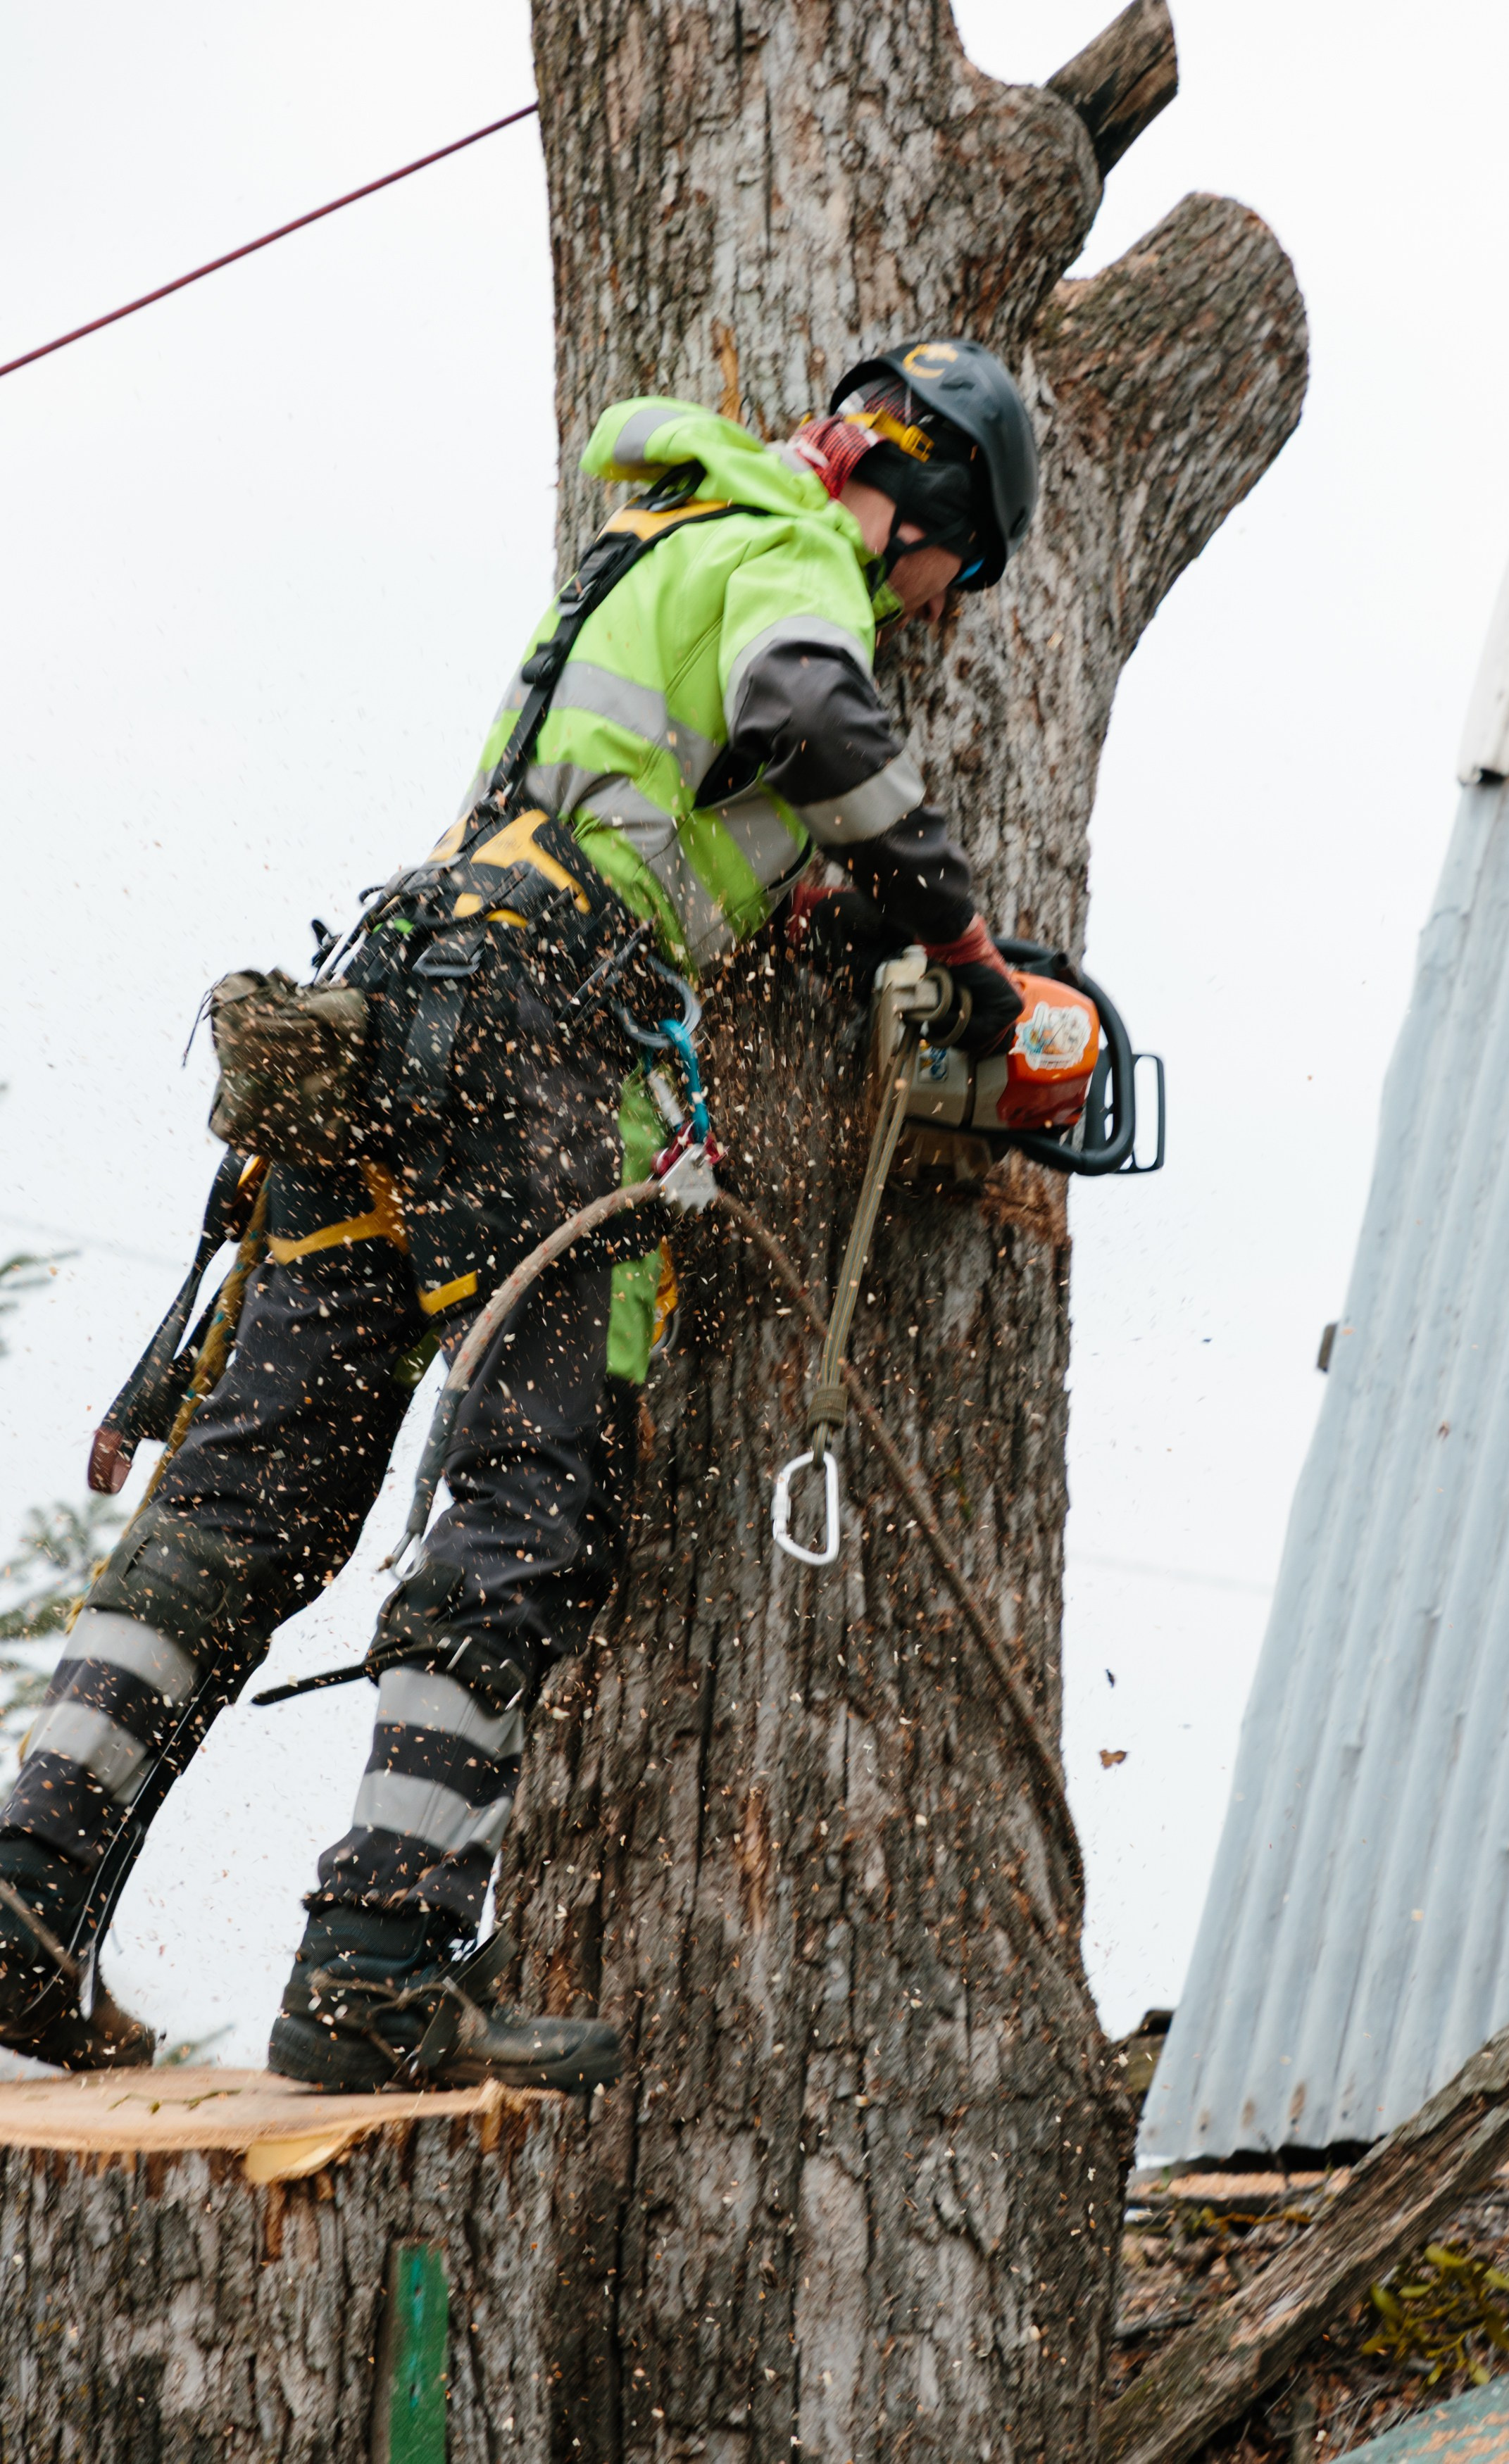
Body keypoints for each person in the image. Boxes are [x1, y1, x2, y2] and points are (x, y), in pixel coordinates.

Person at [0, 339, 1038, 2091]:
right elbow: (810, 703)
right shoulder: (792, 549)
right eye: (954, 567)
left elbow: (711, 781)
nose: (935, 606)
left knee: (254, 1489)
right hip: (549, 1025)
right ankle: (380, 1964)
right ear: (927, 503)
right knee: (531, 1486)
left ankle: (23, 1898)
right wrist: (960, 934)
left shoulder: (659, 540)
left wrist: (807, 895)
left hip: (394, 1001)